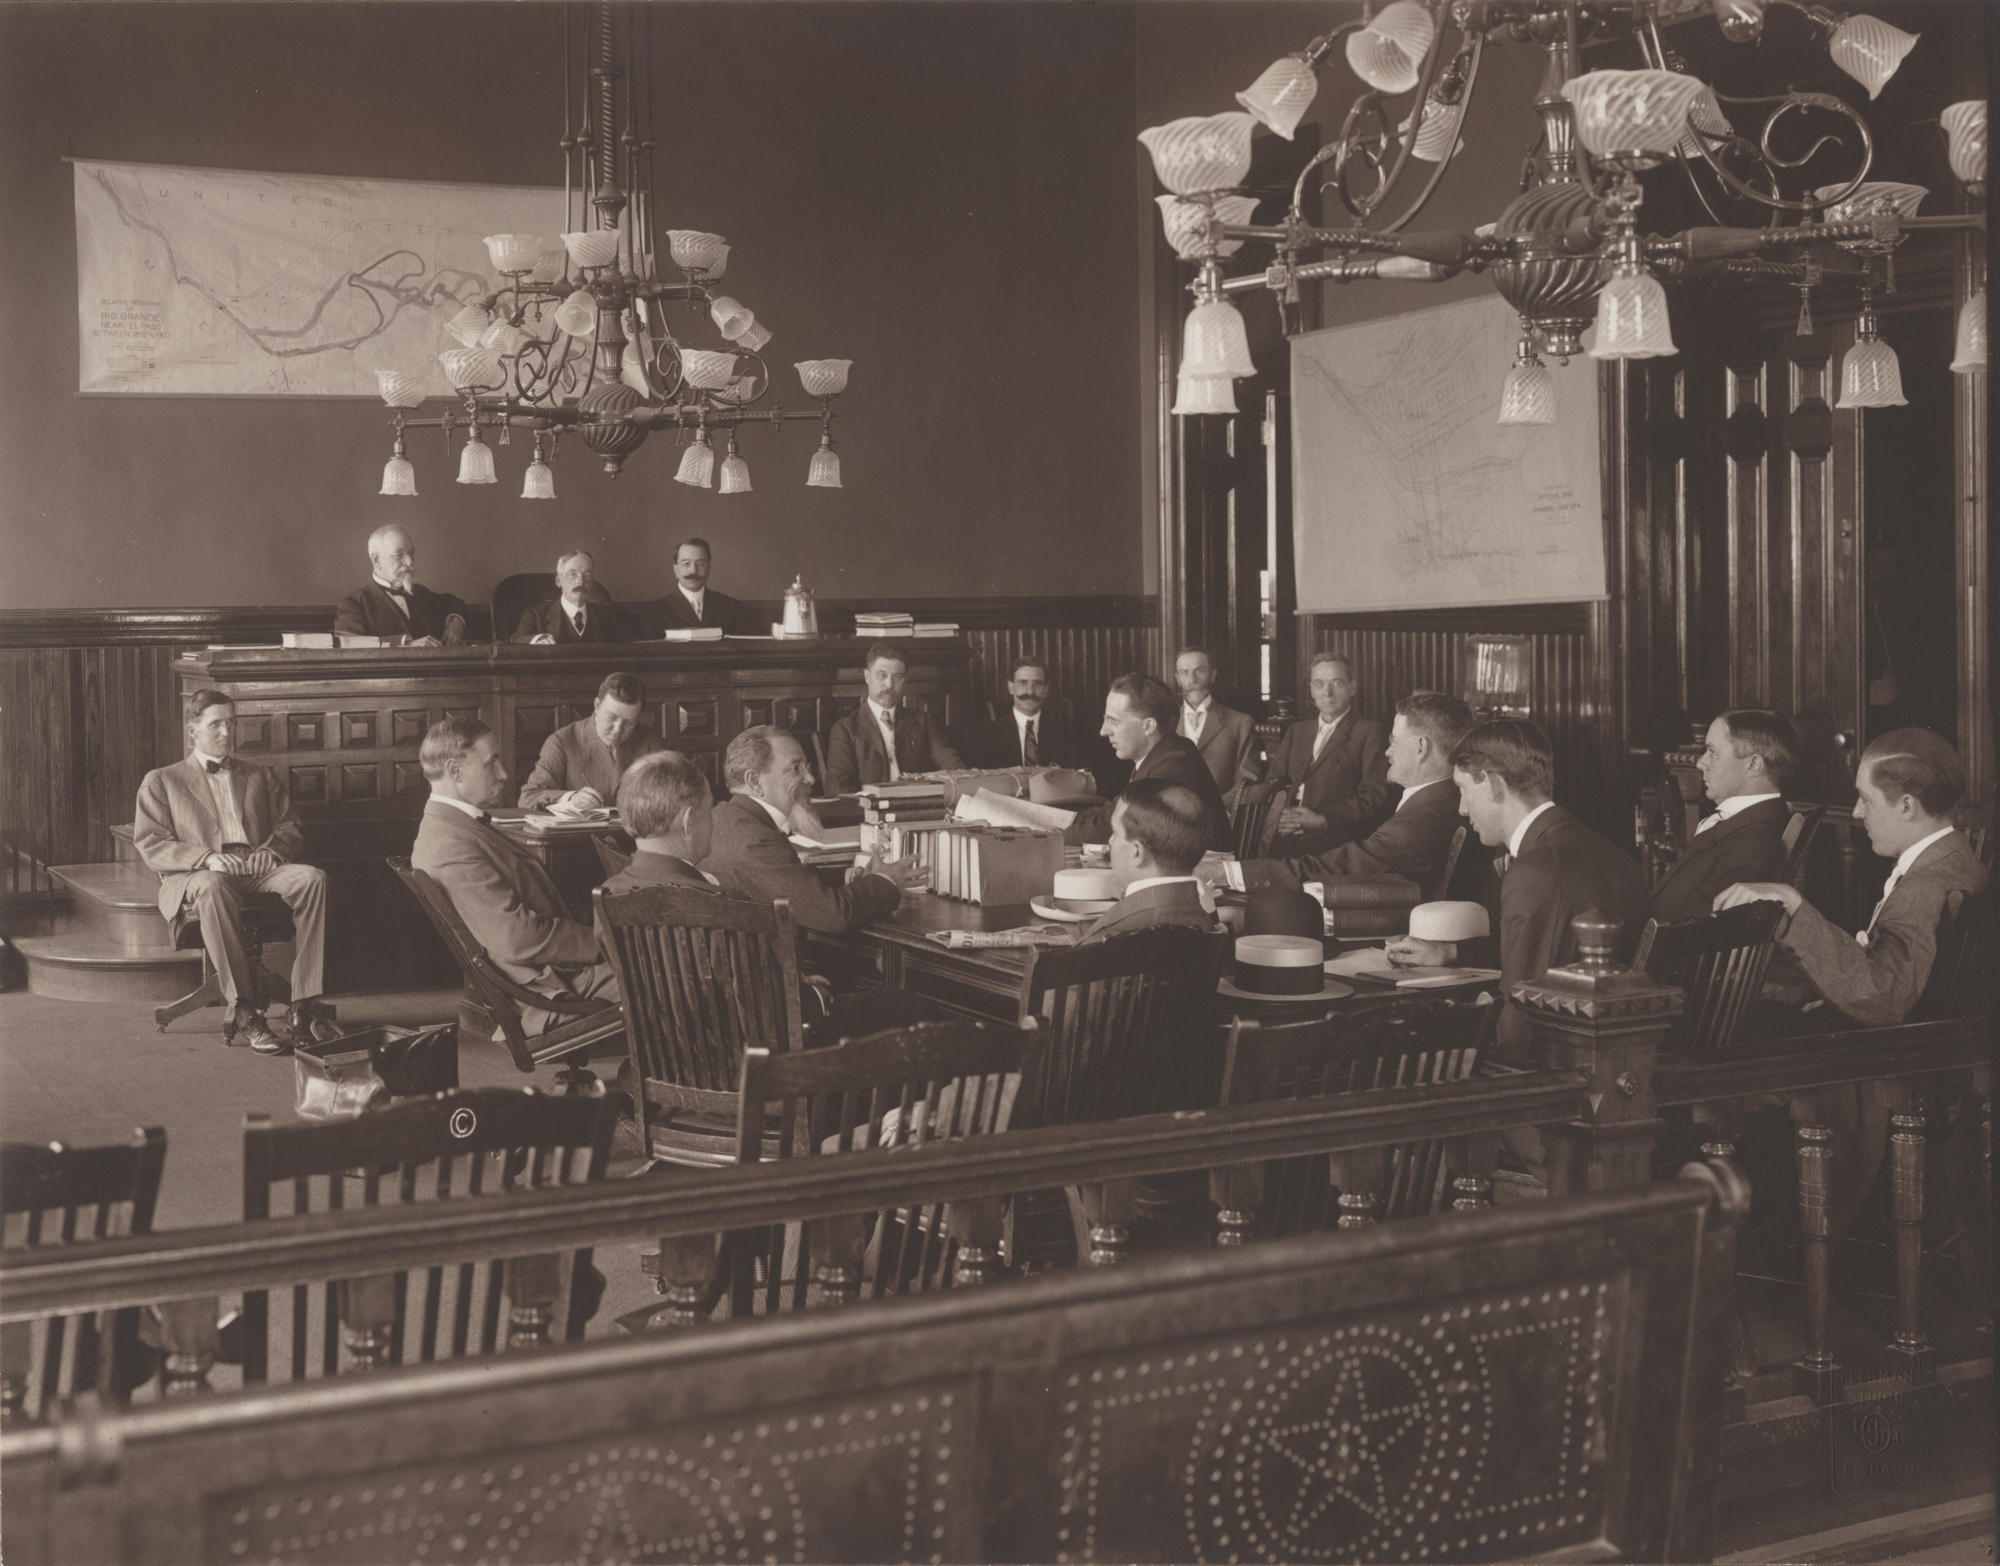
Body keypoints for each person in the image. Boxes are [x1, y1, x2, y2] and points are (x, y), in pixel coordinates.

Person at [1384, 718, 1652, 1066]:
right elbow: (1549, 948)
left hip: (1558, 1077)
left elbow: (1513, 1040)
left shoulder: (1534, 872)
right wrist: (1450, 952)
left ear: (1493, 785)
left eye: (1463, 790)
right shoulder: (1602, 849)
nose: (1462, 810)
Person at [1716, 728, 1987, 1028]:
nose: (1857, 812)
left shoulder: (1923, 886)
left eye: (1865, 799)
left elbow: (1885, 996)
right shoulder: (1957, 857)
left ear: (1907, 806)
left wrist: (1793, 904)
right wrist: (1806, 991)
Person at [133, 689, 332, 1056]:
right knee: (212, 885)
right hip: (198, 872)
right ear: (192, 729)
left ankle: (302, 1006)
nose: (226, 732)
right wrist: (208, 857)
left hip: (254, 867)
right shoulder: (162, 780)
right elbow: (151, 843)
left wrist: (270, 852)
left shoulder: (259, 774)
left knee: (312, 879)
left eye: (231, 723)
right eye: (216, 725)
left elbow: (290, 827)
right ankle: (245, 1011)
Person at [410, 715, 620, 1037]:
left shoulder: (452, 827)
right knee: (674, 977)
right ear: (455, 771)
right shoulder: (449, 844)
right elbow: (518, 939)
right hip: (551, 985)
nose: (504, 773)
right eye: (491, 763)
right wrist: (606, 941)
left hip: (554, 969)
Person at [1212, 691, 1475, 896]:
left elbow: (1330, 869)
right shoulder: (1452, 799)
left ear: (1420, 748)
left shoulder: (1416, 823)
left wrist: (1228, 873)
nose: (1387, 752)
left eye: (1393, 741)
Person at [706, 726, 925, 934]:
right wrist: (886, 882)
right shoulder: (755, 841)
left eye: (807, 767)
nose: (810, 779)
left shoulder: (723, 818)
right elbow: (834, 914)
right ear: (755, 781)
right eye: (795, 768)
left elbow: (784, 877)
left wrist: (849, 876)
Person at [1651, 709, 1799, 923]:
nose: (1701, 762)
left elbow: (1694, 931)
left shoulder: (1753, 841)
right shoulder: (1751, 823)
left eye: (1712, 752)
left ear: (1753, 765)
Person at [1069, 673, 1230, 851]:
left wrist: (1056, 836)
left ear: (1148, 727)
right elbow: (1115, 807)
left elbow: (1117, 824)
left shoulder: (1174, 766)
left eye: (1112, 721)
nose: (1103, 731)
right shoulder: (1168, 753)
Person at [1263, 654, 1390, 856]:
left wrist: (1322, 820)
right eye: (1319, 684)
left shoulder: (1369, 732)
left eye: (1337, 683)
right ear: (1312, 690)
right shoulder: (1297, 731)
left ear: (1352, 688)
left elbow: (1374, 797)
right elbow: (1272, 783)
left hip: (1332, 837)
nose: (1327, 692)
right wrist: (1280, 818)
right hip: (1282, 830)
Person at [1080, 780, 1218, 942]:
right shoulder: (1206, 921)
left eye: (1115, 832)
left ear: (1137, 852)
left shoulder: (1112, 937)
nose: (1110, 841)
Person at [517, 672, 669, 812]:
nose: (617, 730)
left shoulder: (651, 742)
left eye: (629, 722)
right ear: (597, 705)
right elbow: (527, 799)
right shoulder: (562, 742)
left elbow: (672, 798)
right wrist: (570, 799)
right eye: (611, 718)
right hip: (582, 839)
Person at [825, 642, 964, 791]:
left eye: (897, 677)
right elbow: (840, 790)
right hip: (869, 811)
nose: (889, 684)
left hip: (921, 808)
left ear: (905, 680)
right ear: (867, 676)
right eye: (881, 675)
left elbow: (951, 766)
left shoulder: (924, 722)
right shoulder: (845, 729)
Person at [601, 751, 724, 895]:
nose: (713, 818)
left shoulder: (609, 890)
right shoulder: (714, 899)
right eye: (709, 809)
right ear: (688, 821)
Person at [333, 524, 470, 645]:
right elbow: (350, 647)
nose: (409, 562)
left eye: (411, 553)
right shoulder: (354, 605)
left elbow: (453, 603)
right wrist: (406, 645)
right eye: (399, 555)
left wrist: (456, 622)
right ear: (376, 560)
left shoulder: (420, 593)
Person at [964, 657, 1090, 771]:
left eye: (1037, 683)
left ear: (1046, 689)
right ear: (1011, 687)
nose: (1030, 691)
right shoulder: (984, 736)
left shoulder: (1068, 735)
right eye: (1023, 683)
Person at [1174, 647, 1261, 797]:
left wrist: (1218, 810)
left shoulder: (1240, 723)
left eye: (1199, 671)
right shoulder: (1165, 724)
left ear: (1212, 675)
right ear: (1177, 679)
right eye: (1184, 672)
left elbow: (1247, 780)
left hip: (1221, 816)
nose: (1192, 680)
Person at [512, 550, 621, 644]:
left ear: (593, 582)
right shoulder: (535, 615)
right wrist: (536, 640)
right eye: (573, 574)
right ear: (559, 580)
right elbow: (516, 640)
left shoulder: (606, 615)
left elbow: (632, 643)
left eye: (587, 574)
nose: (581, 581)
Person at [656, 537, 755, 637]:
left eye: (701, 564)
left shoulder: (734, 608)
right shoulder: (657, 611)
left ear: (709, 569)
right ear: (676, 570)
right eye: (686, 564)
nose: (694, 571)